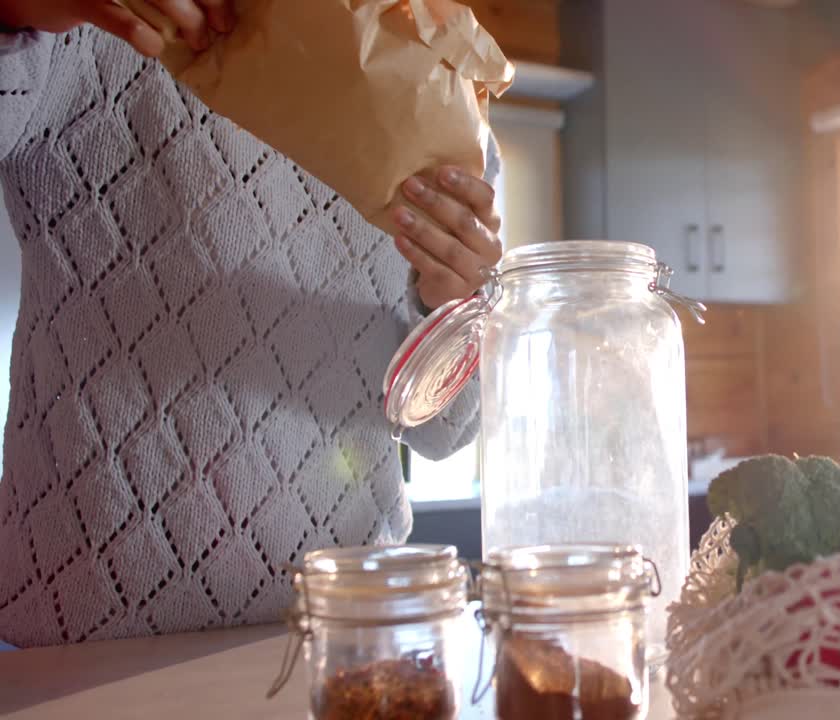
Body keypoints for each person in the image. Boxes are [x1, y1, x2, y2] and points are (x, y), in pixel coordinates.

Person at [0, 0, 502, 647]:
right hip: (81, 647)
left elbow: (445, 429)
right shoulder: (106, 27)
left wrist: (454, 306)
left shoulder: (446, 88)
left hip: (340, 635)